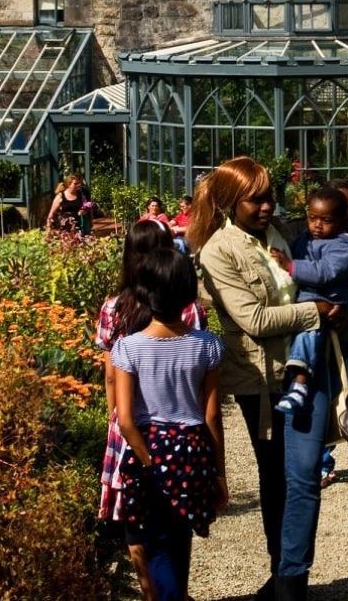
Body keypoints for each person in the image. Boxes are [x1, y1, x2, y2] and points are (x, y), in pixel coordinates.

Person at [188, 156, 340, 601]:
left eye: (269, 197)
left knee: (304, 477)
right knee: (276, 480)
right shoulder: (219, 251)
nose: (266, 206)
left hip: (303, 368)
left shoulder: (280, 235)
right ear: (231, 202)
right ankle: (284, 577)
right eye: (255, 200)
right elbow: (252, 318)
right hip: (261, 379)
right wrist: (315, 313)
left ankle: (290, 578)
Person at [95, 221, 207, 601]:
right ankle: (177, 589)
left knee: (136, 520)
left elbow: (111, 376)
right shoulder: (188, 312)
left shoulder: (114, 306)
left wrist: (115, 417)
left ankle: (151, 593)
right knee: (179, 519)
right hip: (182, 428)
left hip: (131, 429)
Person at [112, 248, 228, 601]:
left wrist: (151, 463)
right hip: (193, 449)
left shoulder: (128, 348)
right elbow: (211, 415)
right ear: (188, 293)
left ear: (144, 293)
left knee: (155, 542)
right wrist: (219, 473)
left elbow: (126, 420)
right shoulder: (207, 346)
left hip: (147, 449)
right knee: (181, 535)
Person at [297, 177, 348, 486]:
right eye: (347, 207)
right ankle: (312, 460)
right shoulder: (306, 241)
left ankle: (323, 460)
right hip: (313, 333)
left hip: (345, 338)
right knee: (314, 396)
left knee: (339, 398)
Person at [270, 187, 348, 416]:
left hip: (325, 303)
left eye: (326, 220)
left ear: (341, 222)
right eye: (312, 218)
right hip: (308, 300)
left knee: (308, 333)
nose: (317, 225)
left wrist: (290, 266)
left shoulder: (343, 247)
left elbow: (324, 271)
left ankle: (300, 383)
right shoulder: (304, 237)